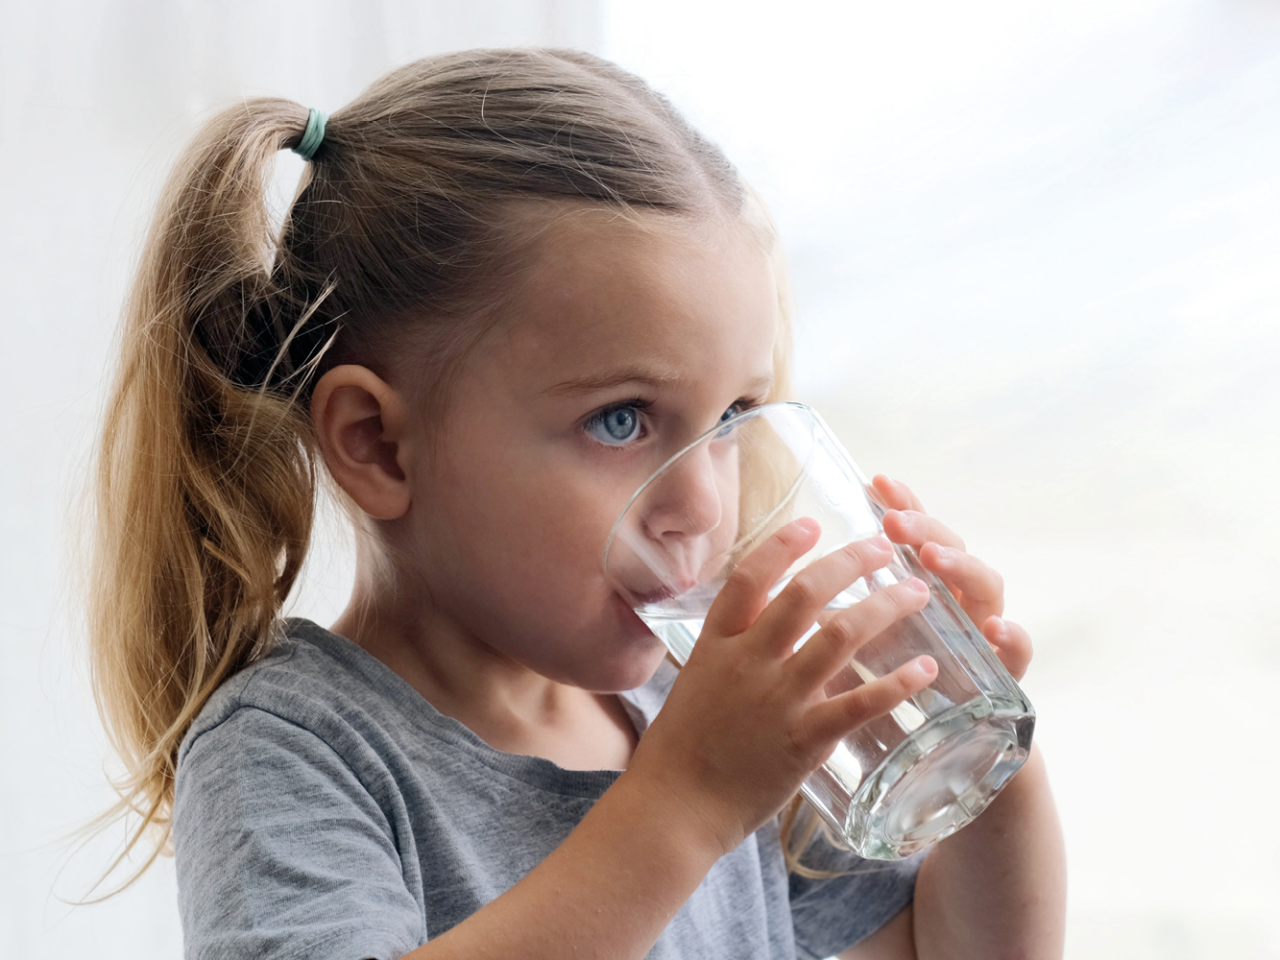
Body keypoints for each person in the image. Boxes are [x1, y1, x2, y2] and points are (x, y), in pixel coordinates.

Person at [87, 48, 1065, 960]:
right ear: (377, 444)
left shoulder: (697, 708)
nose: (699, 503)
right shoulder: (292, 754)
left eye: (731, 414)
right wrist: (683, 804)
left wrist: (985, 767)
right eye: (620, 420)